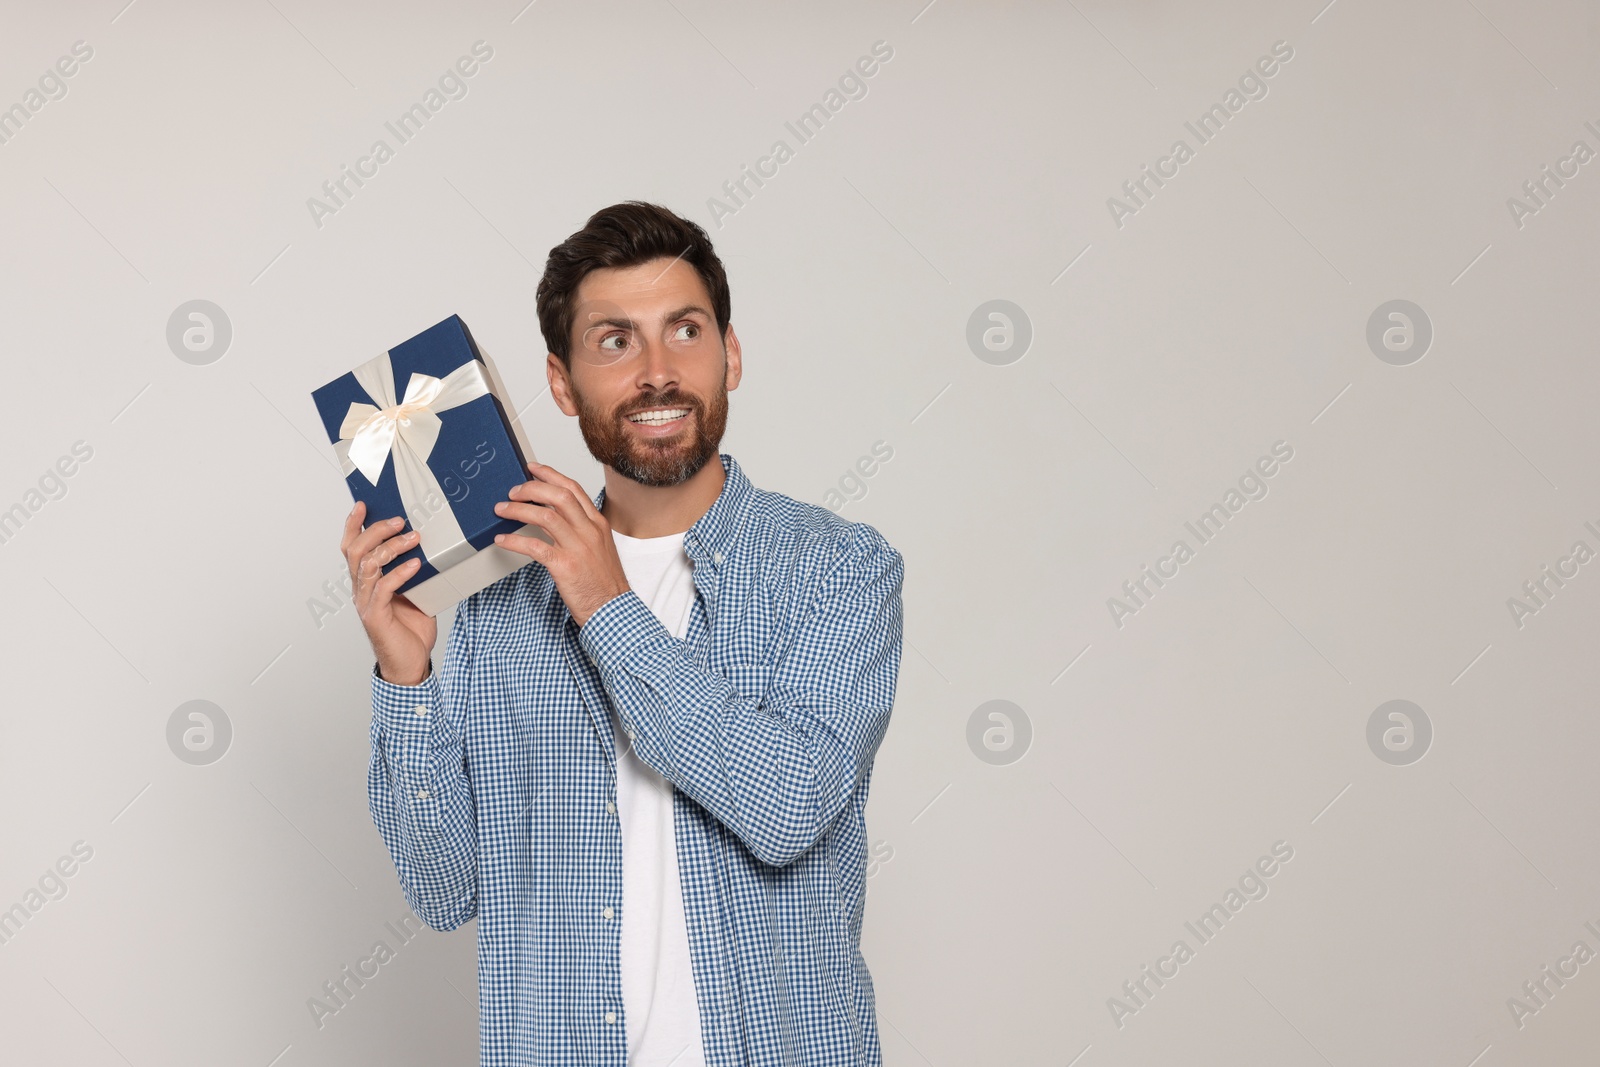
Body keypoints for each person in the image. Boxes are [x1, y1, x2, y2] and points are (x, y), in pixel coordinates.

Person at [338, 201, 907, 1066]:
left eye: (684, 330)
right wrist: (405, 678)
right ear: (562, 384)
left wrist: (608, 606)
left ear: (732, 355)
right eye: (614, 341)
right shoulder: (501, 606)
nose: (656, 372)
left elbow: (788, 808)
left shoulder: (836, 568)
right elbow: (447, 888)